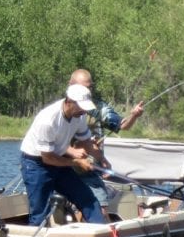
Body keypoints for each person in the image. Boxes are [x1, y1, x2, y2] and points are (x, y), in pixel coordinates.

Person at [19, 83, 109, 226]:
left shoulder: (79, 116)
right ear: (69, 101)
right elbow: (47, 158)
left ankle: (102, 234)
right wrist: (77, 162)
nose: (83, 111)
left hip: (59, 161)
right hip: (36, 164)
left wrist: (102, 159)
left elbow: (86, 141)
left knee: (86, 198)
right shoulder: (48, 120)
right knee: (40, 211)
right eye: (80, 106)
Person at [68, 68, 145, 220]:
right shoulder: (63, 106)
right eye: (84, 87)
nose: (88, 90)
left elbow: (122, 126)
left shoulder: (99, 108)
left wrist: (134, 115)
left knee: (100, 210)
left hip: (90, 169)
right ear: (71, 85)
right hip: (64, 166)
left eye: (90, 87)